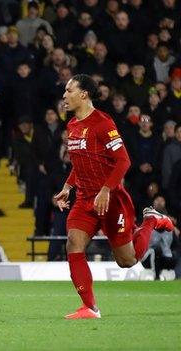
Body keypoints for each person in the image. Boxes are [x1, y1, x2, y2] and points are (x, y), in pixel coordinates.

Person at [53, 74, 173, 319]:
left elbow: (123, 160)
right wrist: (68, 186)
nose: (64, 95)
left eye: (69, 90)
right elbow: (81, 162)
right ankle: (90, 308)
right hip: (85, 200)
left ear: (83, 94)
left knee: (126, 261)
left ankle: (150, 220)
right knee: (73, 244)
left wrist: (106, 190)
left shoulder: (102, 123)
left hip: (111, 200)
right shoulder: (73, 125)